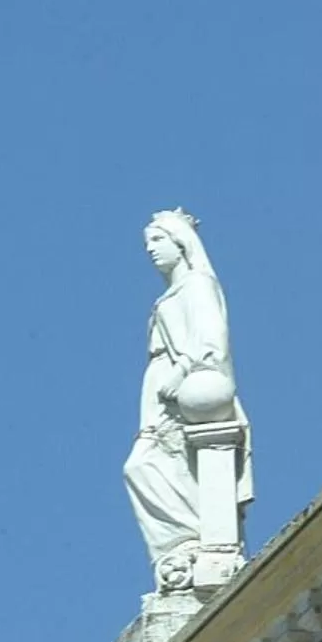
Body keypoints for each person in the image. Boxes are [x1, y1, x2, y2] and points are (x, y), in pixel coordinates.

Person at [121, 208, 244, 585]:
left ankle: (193, 540)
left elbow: (211, 341)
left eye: (158, 240)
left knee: (143, 466)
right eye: (147, 244)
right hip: (160, 389)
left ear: (181, 243)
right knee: (146, 464)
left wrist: (181, 370)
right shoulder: (172, 294)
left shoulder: (197, 286)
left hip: (182, 386)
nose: (151, 250)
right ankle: (182, 545)